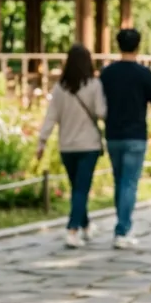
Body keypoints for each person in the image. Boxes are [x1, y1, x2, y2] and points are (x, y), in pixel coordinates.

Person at [100, 29, 151, 249]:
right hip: (136, 135)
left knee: (119, 181)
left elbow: (98, 102)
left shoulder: (107, 73)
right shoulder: (144, 74)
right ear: (138, 46)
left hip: (113, 134)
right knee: (129, 183)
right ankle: (122, 230)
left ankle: (122, 225)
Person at [36, 44, 106, 249]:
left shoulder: (60, 88)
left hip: (66, 146)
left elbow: (51, 117)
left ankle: (86, 226)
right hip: (89, 145)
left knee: (78, 188)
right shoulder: (94, 85)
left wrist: (41, 142)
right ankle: (72, 228)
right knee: (81, 189)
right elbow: (102, 112)